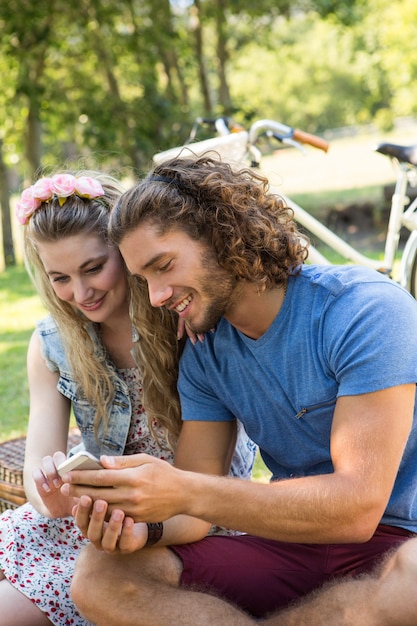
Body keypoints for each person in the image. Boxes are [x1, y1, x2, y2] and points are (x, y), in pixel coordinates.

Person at [67, 154, 417, 625]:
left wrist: (183, 489)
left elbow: (356, 510)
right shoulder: (205, 352)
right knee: (101, 574)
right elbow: (190, 516)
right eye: (144, 279)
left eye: (164, 266)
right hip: (295, 543)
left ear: (221, 234)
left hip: (398, 538)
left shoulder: (363, 311)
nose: (156, 296)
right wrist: (143, 529)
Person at [0, 170, 256, 626]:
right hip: (92, 517)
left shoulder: (186, 325)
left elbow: (199, 498)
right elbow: (43, 463)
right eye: (60, 277)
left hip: (181, 521)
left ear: (125, 250)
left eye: (94, 268)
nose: (81, 294)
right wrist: (48, 497)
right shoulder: (53, 344)